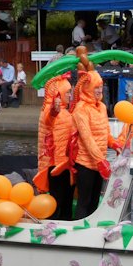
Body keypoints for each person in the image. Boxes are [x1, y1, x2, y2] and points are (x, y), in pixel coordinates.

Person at [72, 47, 115, 220]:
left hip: (100, 161)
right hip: (86, 163)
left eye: (101, 87)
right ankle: (77, 232)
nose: (99, 91)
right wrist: (99, 160)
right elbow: (87, 138)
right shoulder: (80, 109)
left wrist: (114, 143)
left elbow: (105, 132)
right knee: (84, 201)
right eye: (96, 88)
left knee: (95, 201)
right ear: (88, 88)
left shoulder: (102, 107)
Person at [34, 73, 76, 220]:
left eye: (70, 92)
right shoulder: (49, 109)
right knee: (58, 199)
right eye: (67, 92)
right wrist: (53, 110)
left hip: (66, 163)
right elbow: (49, 119)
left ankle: (66, 223)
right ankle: (55, 227)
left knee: (67, 199)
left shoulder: (66, 111)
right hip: (55, 164)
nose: (70, 95)